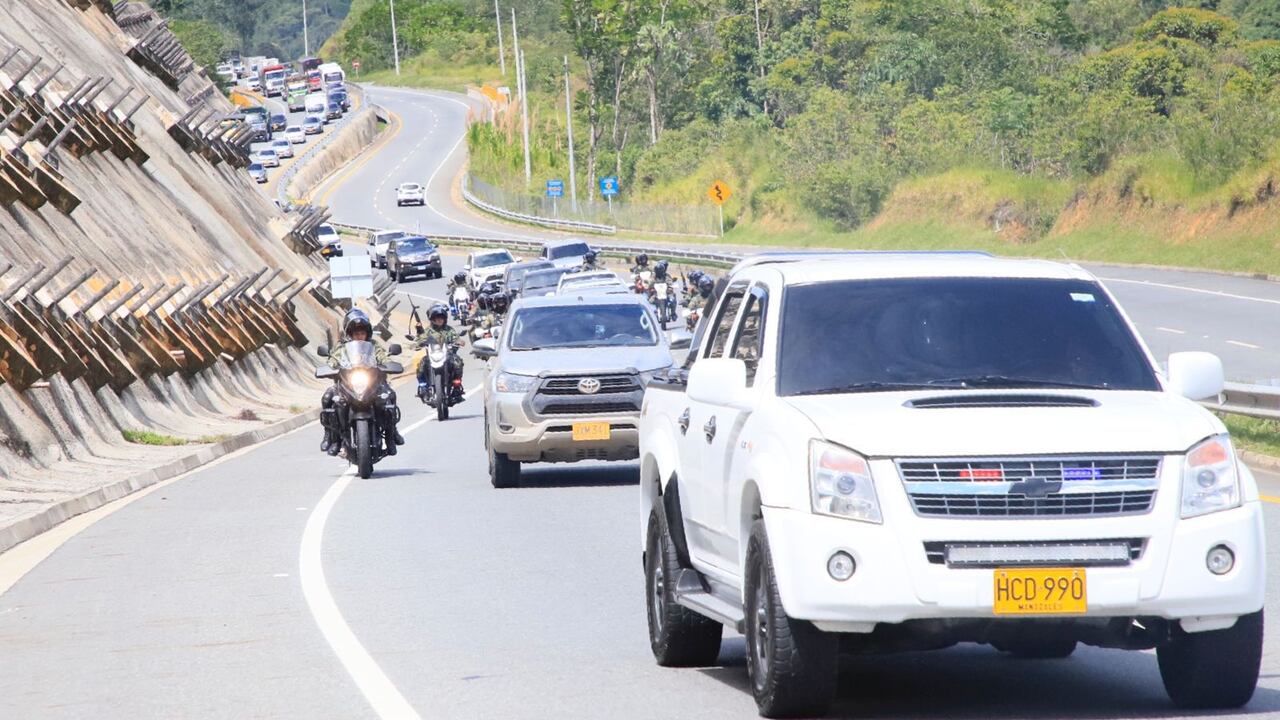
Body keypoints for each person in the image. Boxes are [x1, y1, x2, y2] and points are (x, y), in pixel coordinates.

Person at [321, 309, 404, 456]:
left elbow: (383, 358)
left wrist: (387, 364)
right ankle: (332, 438)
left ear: (367, 333)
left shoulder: (374, 345)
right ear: (350, 334)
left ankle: (391, 435)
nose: (359, 336)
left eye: (362, 333)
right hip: (347, 384)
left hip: (372, 383)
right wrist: (330, 366)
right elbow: (333, 360)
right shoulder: (342, 347)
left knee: (390, 395)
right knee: (328, 398)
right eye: (356, 333)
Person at [414, 304, 466, 402]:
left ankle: (456, 387)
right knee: (421, 365)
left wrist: (459, 341)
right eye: (437, 318)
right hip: (432, 355)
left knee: (458, 362)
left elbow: (456, 338)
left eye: (441, 318)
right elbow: (420, 339)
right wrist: (419, 334)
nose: (439, 320)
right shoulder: (428, 331)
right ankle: (423, 387)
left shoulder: (449, 330)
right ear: (432, 319)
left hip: (448, 355)